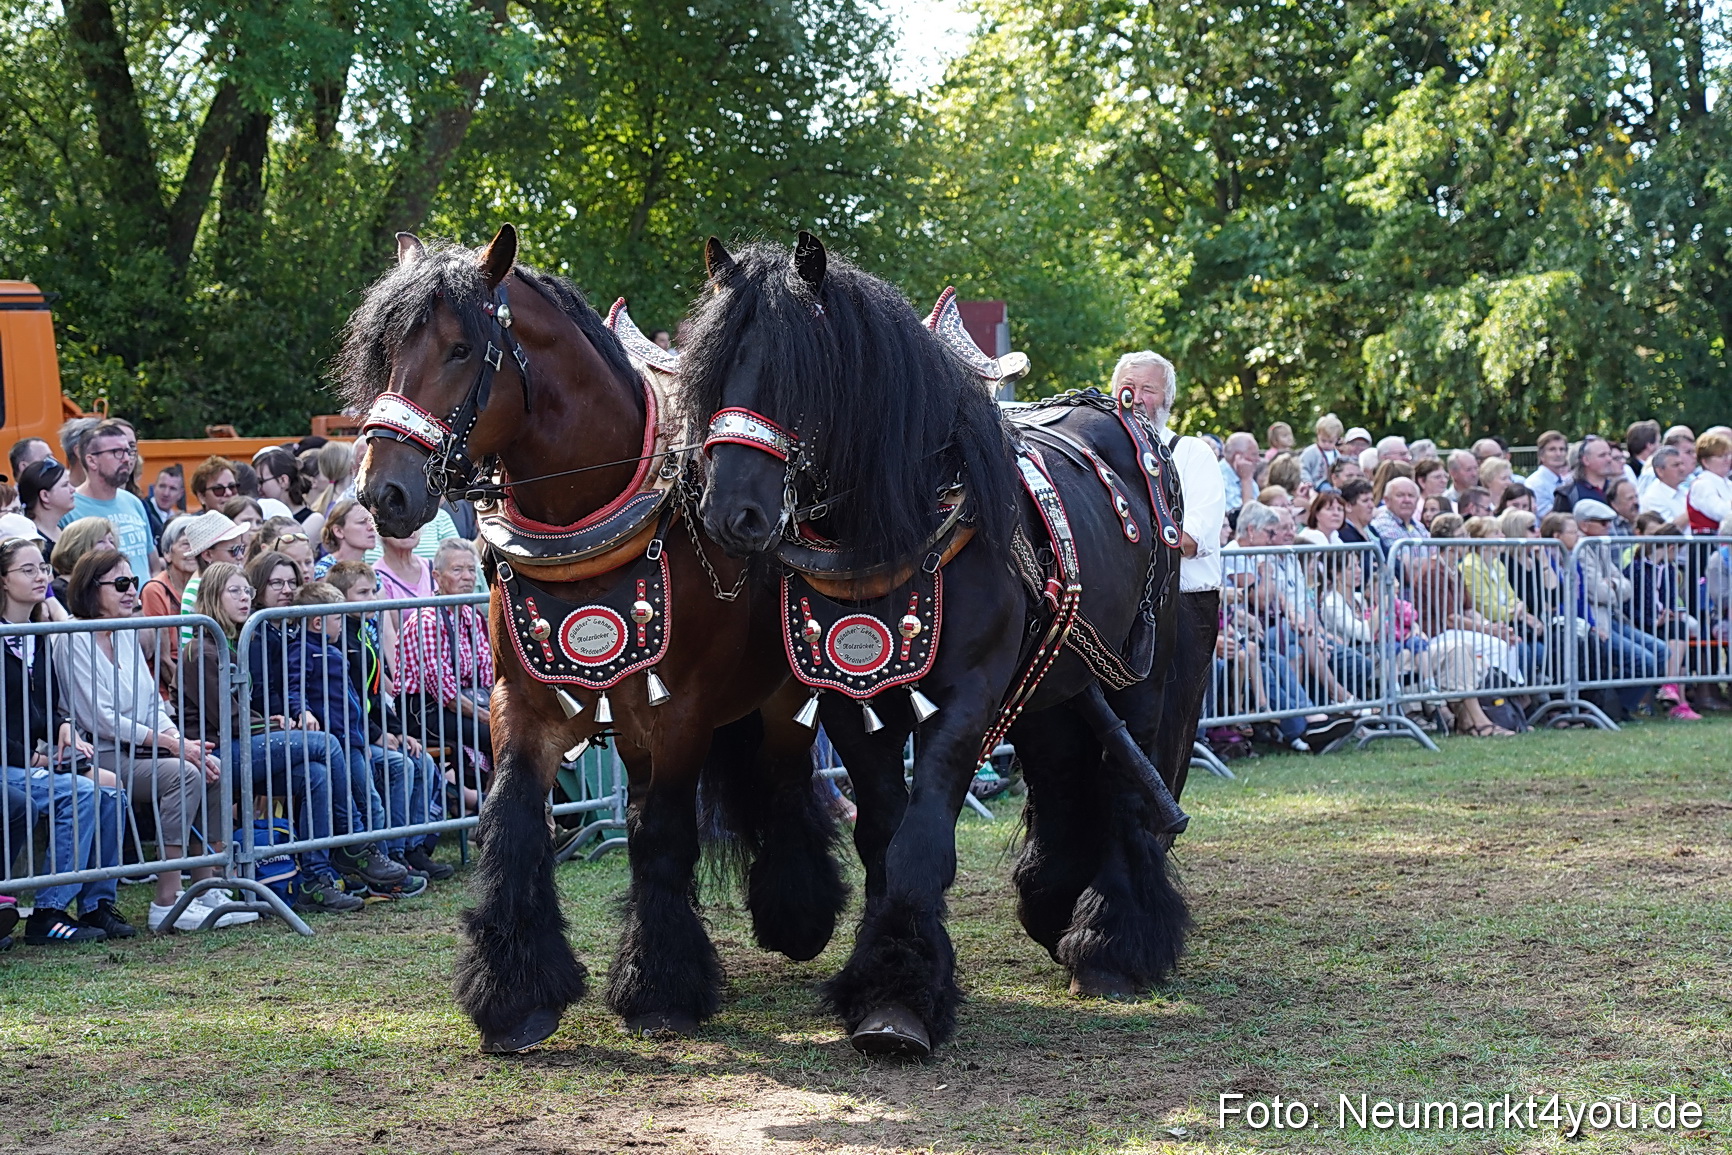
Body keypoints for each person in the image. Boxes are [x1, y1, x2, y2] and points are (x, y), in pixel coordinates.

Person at [57, 548, 252, 933]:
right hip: (97, 753)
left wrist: (183, 742)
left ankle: (207, 887)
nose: (131, 592)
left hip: (141, 748)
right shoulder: (73, 637)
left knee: (208, 764)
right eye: (120, 584)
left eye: (133, 583)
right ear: (91, 589)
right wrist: (171, 746)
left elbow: (153, 704)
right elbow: (99, 718)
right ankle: (167, 899)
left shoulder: (128, 632)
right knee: (183, 773)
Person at [180, 563, 364, 913]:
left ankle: (316, 877)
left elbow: (239, 715)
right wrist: (271, 725)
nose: (245, 599)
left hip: (240, 743)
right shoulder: (200, 650)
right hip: (216, 752)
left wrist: (268, 721)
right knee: (326, 744)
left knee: (317, 775)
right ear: (212, 596)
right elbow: (228, 719)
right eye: (234, 591)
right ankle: (352, 841)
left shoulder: (228, 644)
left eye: (247, 591)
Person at [0, 538, 129, 944]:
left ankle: (96, 905)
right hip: (11, 763)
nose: (41, 576)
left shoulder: (40, 634)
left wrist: (64, 728)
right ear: (3, 581)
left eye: (42, 567)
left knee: (110, 792)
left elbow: (50, 706)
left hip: (32, 760)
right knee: (81, 792)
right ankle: (49, 912)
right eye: (28, 570)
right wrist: (37, 757)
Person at [290, 581, 445, 883]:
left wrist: (390, 730)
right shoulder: (307, 651)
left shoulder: (336, 648)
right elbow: (293, 686)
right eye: (338, 617)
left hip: (355, 738)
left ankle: (396, 857)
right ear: (319, 621)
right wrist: (302, 712)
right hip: (341, 742)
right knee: (368, 804)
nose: (344, 620)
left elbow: (364, 699)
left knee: (383, 789)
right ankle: (375, 866)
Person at [396, 540, 493, 794]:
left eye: (472, 570)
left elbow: (487, 677)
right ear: (437, 577)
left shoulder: (473, 615)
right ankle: (491, 821)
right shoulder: (426, 619)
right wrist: (491, 717)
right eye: (457, 570)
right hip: (424, 711)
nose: (467, 577)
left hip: (468, 703)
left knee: (517, 731)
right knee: (500, 736)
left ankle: (506, 817)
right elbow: (445, 695)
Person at [1572, 500, 1664, 715]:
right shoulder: (1581, 550)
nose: (1609, 528)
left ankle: (1618, 707)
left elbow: (1625, 587)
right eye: (1603, 523)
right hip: (1596, 624)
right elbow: (1597, 592)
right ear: (1585, 525)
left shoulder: (1600, 546)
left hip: (1613, 618)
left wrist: (1612, 584)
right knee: (1645, 660)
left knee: (1661, 651)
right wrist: (1613, 587)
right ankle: (1611, 708)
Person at [1626, 512, 1701, 720]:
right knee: (1677, 636)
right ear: (1670, 548)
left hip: (1662, 623)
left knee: (1679, 629)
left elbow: (1667, 601)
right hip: (1640, 623)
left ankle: (1672, 691)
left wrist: (1669, 613)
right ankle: (1673, 694)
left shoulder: (1669, 570)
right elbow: (1630, 608)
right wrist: (1653, 620)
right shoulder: (1637, 569)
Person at [64, 419, 157, 579]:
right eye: (116, 452)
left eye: (128, 451)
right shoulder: (69, 508)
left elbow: (153, 565)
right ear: (92, 460)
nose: (127, 459)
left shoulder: (133, 502)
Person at [177, 512, 250, 643]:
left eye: (242, 549)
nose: (240, 556)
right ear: (208, 555)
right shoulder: (197, 588)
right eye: (234, 550)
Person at [254, 447, 322, 539]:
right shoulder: (258, 515)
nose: (258, 488)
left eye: (261, 481)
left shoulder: (313, 520)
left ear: (283, 480)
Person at [1551, 435, 1618, 514]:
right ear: (1586, 460)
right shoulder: (1568, 494)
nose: (1609, 459)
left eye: (1609, 454)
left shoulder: (1619, 490)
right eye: (1602, 455)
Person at [21, 457, 76, 551]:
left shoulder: (65, 532)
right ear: (45, 496)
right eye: (65, 485)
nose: (73, 489)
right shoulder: (32, 544)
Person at [314, 498, 376, 578]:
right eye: (362, 522)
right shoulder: (324, 571)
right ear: (339, 531)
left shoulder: (371, 571)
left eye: (372, 521)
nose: (371, 527)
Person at [1685, 430, 1732, 535]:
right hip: (1706, 545)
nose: (1727, 460)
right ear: (1705, 462)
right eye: (1720, 456)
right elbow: (1720, 512)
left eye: (1727, 455)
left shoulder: (1728, 483)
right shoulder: (1702, 484)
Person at [1638, 445, 1692, 532]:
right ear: (1660, 471)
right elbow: (1666, 531)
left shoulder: (1684, 491)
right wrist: (1693, 511)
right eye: (1676, 465)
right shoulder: (1653, 497)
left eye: (1682, 464)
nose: (1682, 468)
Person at [1525, 430, 1571, 516]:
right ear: (1541, 455)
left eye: (1562, 449)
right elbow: (1549, 518)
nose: (1558, 454)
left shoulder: (1566, 480)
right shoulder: (1535, 483)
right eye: (1552, 449)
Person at [1371, 477, 1429, 544]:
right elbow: (1399, 554)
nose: (1407, 500)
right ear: (1387, 500)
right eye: (1400, 495)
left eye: (1411, 496)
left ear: (1417, 501)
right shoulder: (1383, 525)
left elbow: (1434, 552)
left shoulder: (1420, 527)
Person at [1218, 432, 1261, 514]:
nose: (1258, 459)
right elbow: (1245, 516)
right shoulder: (1221, 479)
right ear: (1238, 457)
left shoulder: (1243, 474)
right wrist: (1246, 480)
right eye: (1254, 454)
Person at [1299, 414, 1343, 491]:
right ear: (1318, 435)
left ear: (1337, 439)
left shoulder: (1337, 455)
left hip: (1333, 484)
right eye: (1323, 440)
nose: (1326, 444)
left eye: (1330, 441)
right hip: (1315, 484)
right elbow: (1303, 468)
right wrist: (1307, 481)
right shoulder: (1310, 452)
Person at [1337, 478, 1382, 553]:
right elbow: (1364, 563)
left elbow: (1389, 556)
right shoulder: (1344, 534)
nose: (1372, 505)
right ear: (1348, 506)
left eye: (1372, 500)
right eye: (1365, 501)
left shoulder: (1371, 529)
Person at [143, 464, 184, 544]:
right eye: (162, 486)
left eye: (172, 488)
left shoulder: (178, 518)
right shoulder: (143, 511)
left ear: (180, 494)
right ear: (154, 488)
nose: (166, 493)